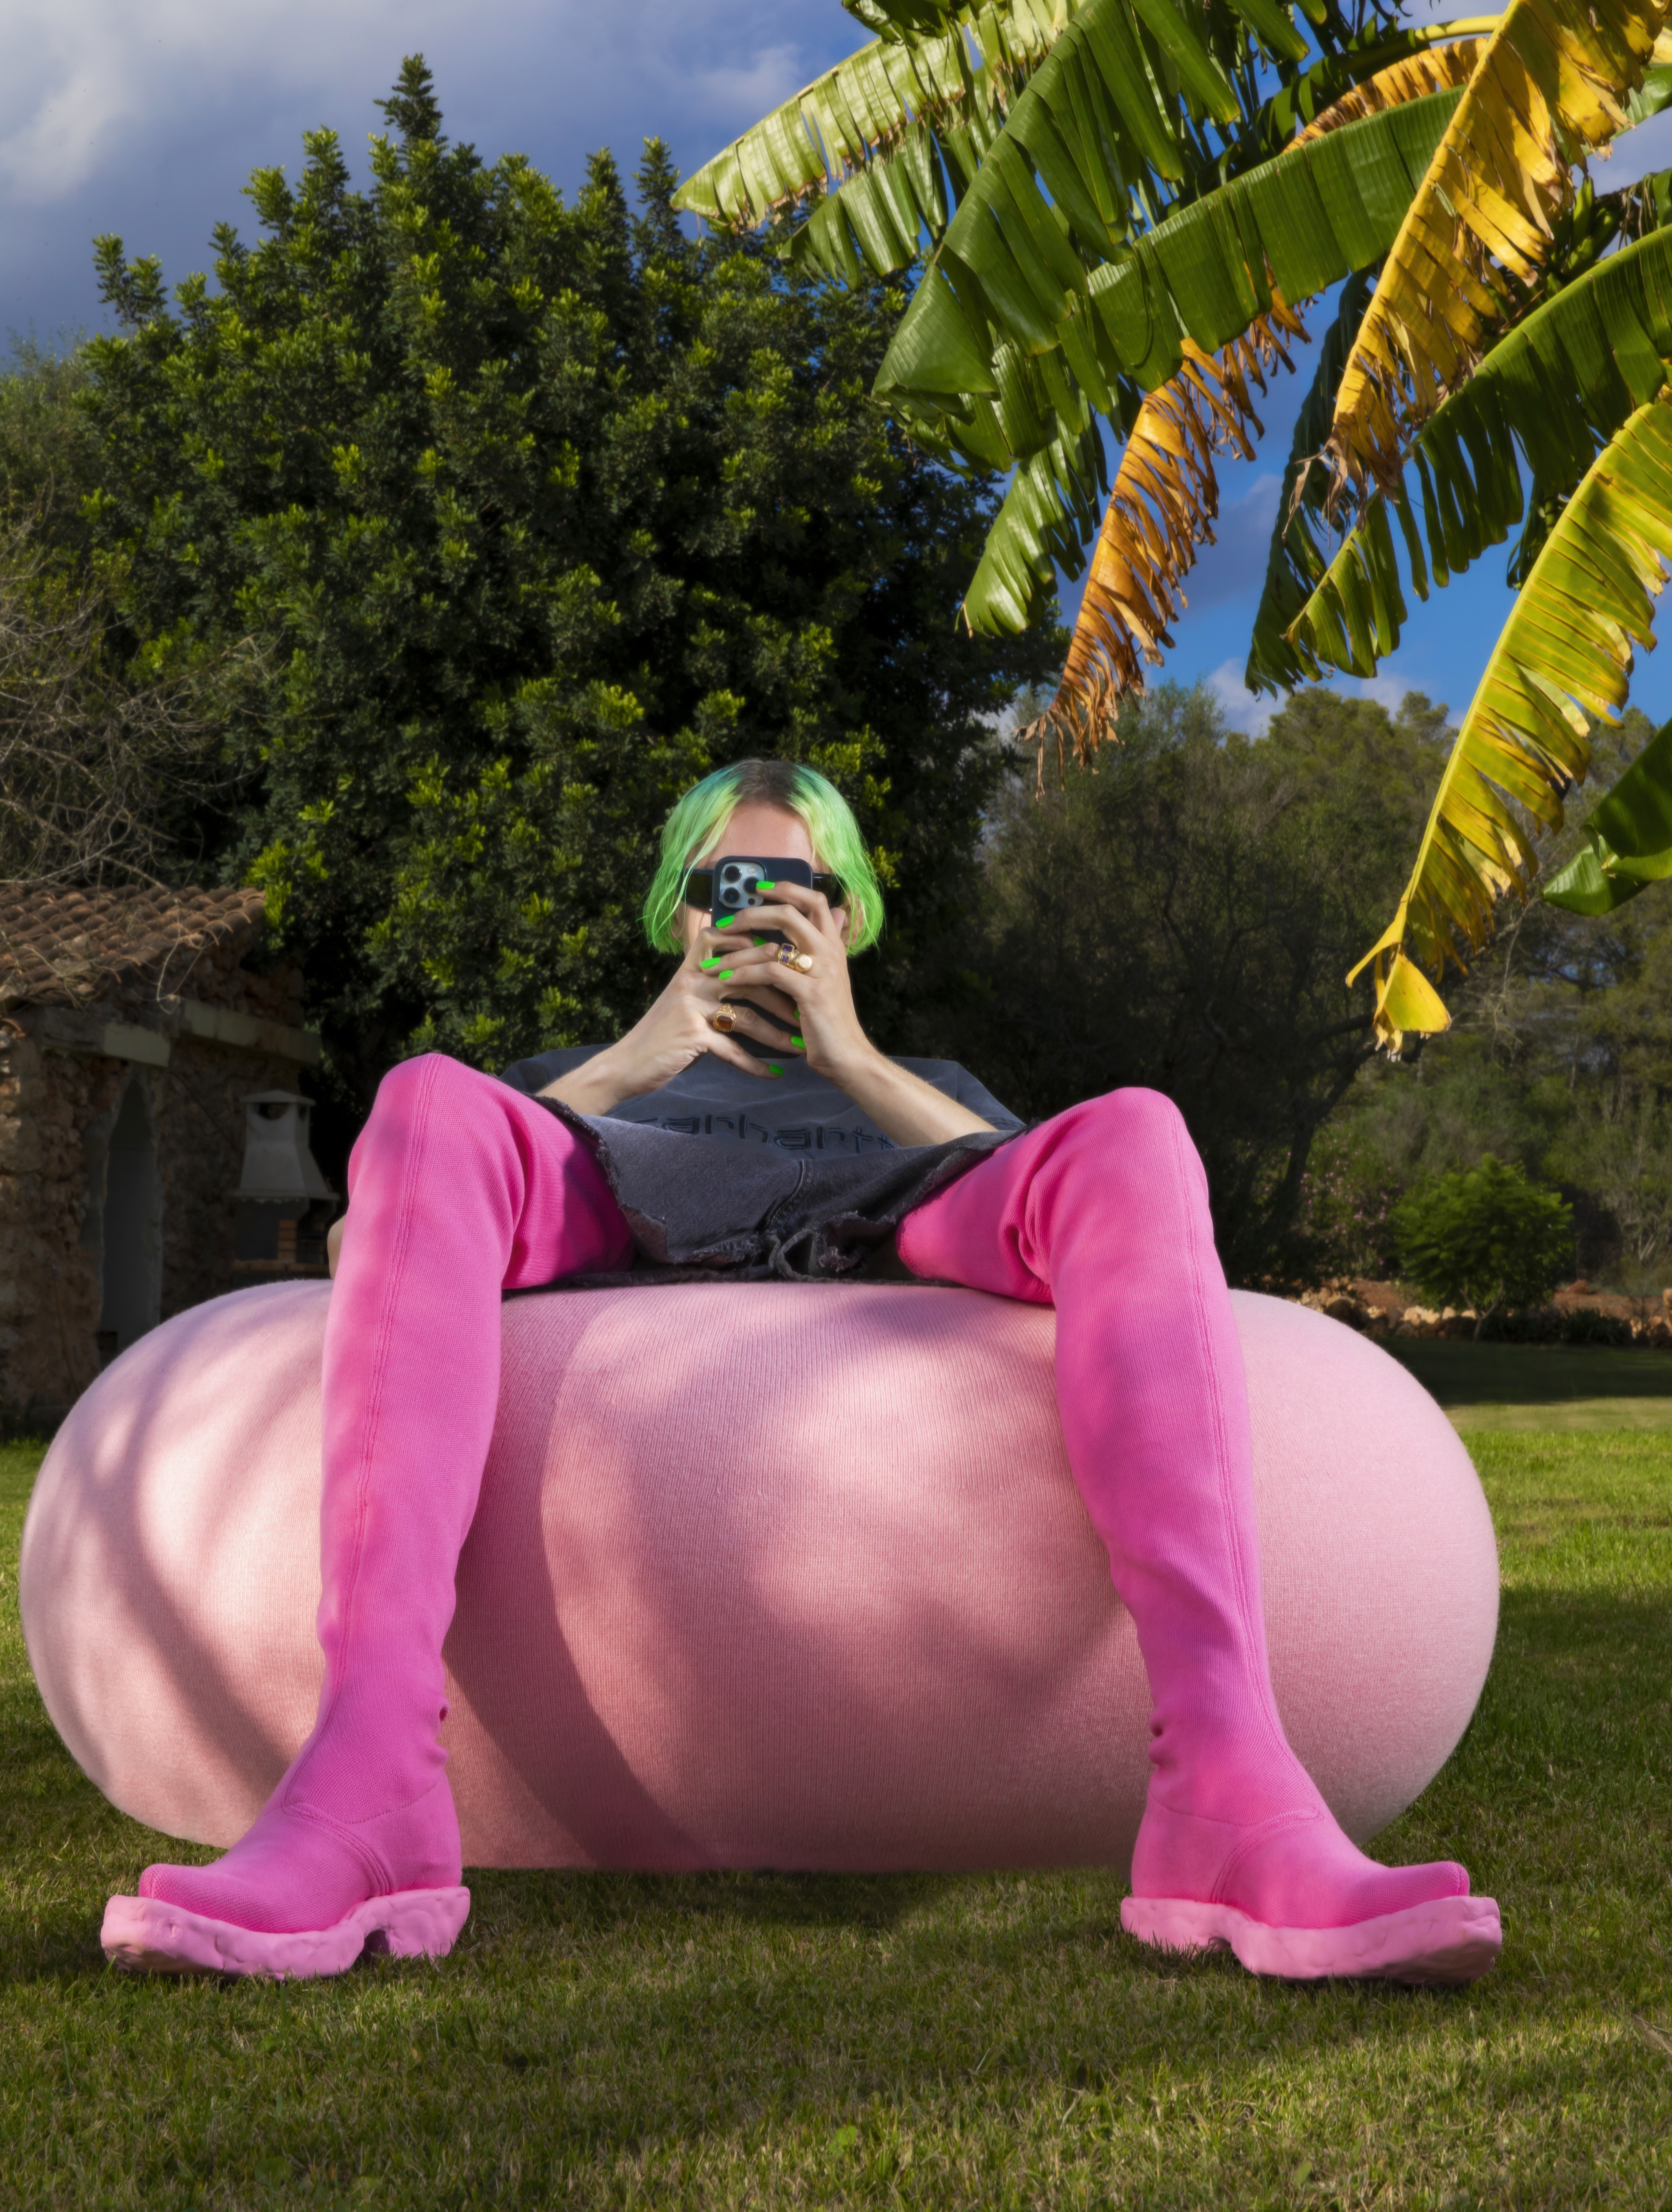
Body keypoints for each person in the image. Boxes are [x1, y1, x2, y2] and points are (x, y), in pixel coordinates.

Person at [102, 758, 1501, 1985]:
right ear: (676, 910)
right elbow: (363, 1243)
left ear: (850, 915)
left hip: (896, 1204)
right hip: (627, 1186)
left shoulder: (923, 1080)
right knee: (421, 1093)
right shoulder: (572, 1078)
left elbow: (1081, 1205)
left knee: (1139, 1126)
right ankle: (366, 1789)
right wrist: (636, 1058)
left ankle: (1229, 1798)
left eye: (803, 891)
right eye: (728, 888)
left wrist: (850, 1052)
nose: (764, 915)